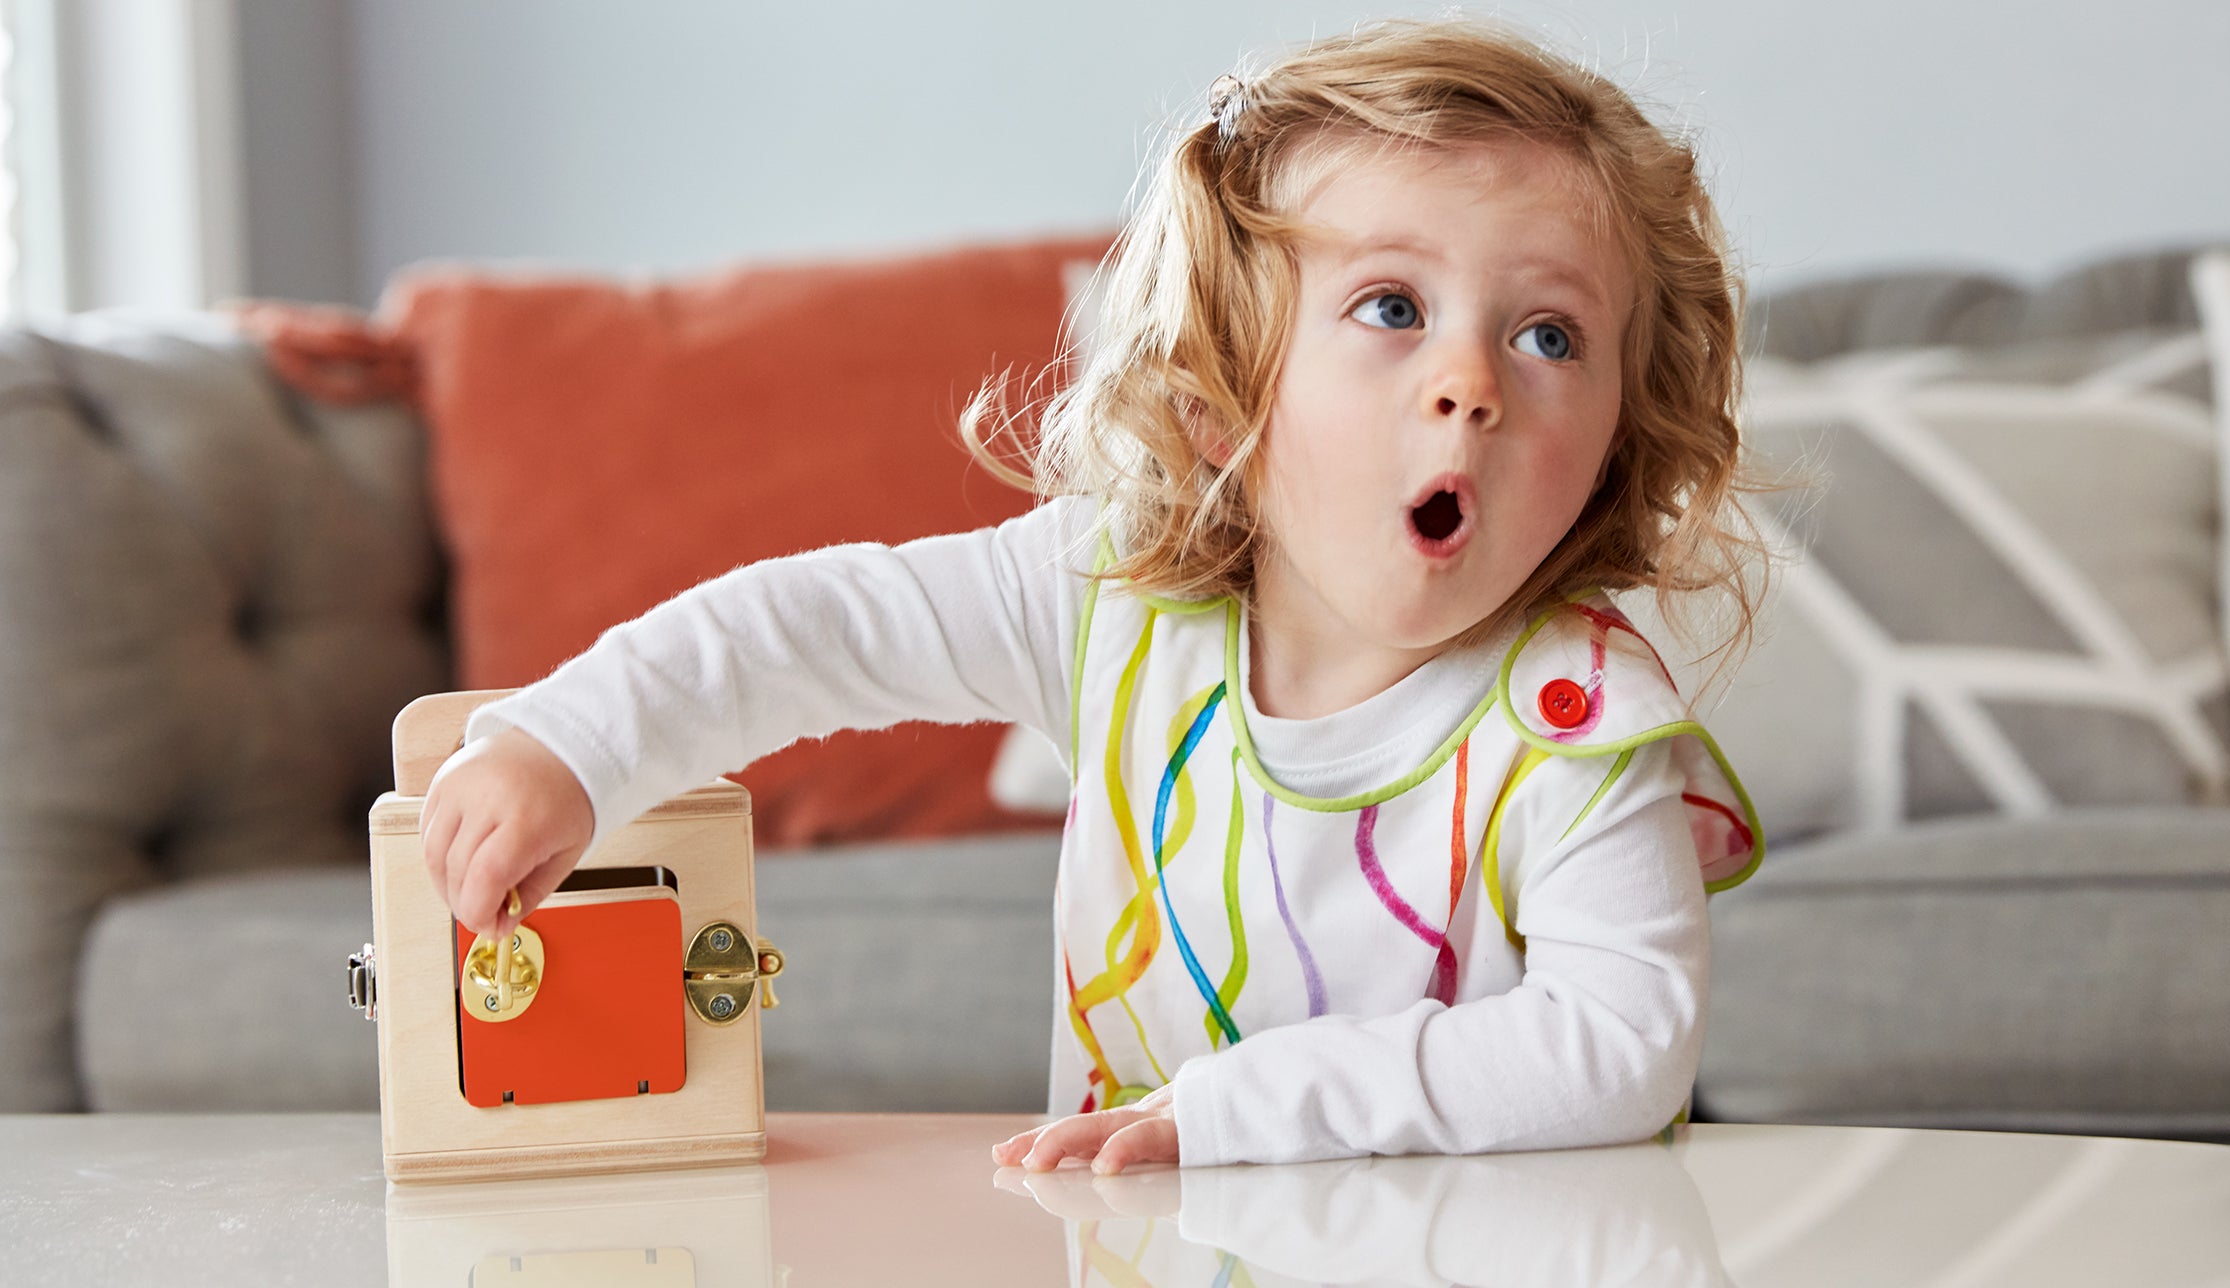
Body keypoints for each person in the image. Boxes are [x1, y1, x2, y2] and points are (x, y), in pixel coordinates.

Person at [421, 16, 1769, 1175]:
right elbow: (811, 631)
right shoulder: (1109, 596)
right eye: (1393, 308)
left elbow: (1620, 1044)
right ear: (1219, 405)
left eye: (1548, 334)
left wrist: (1237, 1115)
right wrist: (575, 742)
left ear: (1609, 448)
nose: (1474, 378)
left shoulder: (1583, 720)